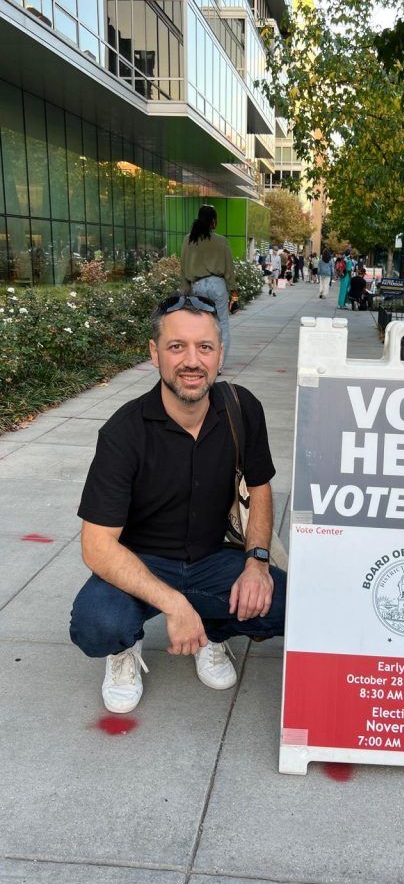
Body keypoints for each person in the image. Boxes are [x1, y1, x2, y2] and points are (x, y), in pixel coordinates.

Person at [69, 293, 287, 713]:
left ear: (220, 353)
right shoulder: (123, 434)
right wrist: (174, 603)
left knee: (282, 605)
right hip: (143, 562)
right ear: (155, 354)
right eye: (176, 347)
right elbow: (96, 547)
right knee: (96, 625)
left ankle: (212, 633)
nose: (192, 361)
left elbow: (259, 486)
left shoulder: (243, 408)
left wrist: (257, 561)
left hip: (214, 556)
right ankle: (123, 651)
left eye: (204, 347)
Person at [180, 205, 238, 367]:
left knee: (200, 325)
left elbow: (183, 267)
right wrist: (234, 293)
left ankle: (199, 360)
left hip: (197, 286)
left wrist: (185, 291)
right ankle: (218, 366)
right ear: (213, 222)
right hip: (217, 286)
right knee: (222, 325)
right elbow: (229, 270)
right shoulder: (221, 241)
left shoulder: (188, 239)